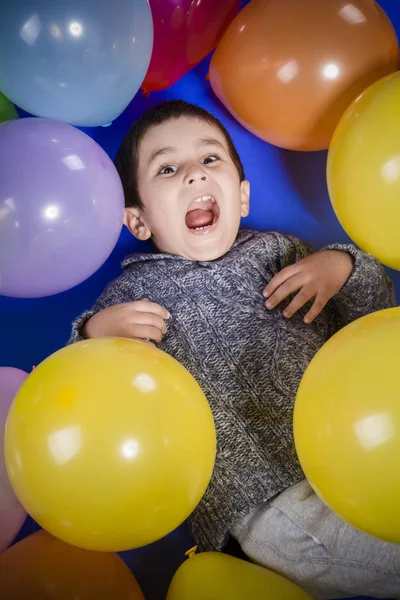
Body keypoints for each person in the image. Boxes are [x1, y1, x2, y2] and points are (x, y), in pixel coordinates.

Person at [68, 101, 400, 599]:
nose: (194, 177)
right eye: (167, 168)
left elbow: (373, 325)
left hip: (361, 449)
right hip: (261, 497)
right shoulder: (131, 295)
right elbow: (74, 398)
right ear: (137, 222)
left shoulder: (280, 250)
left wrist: (342, 266)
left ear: (242, 197)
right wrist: (93, 334)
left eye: (210, 160)